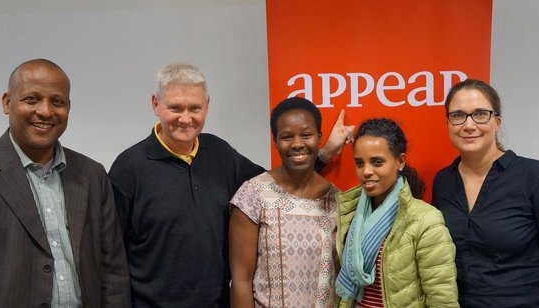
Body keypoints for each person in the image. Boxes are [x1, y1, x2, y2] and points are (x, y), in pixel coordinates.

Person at [108, 62, 354, 307]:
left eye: (194, 108)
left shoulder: (219, 153)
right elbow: (110, 256)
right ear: (156, 104)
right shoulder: (129, 168)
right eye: (175, 108)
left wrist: (324, 154)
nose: (185, 118)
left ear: (207, 106)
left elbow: (277, 185)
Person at [0, 59, 130, 307]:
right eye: (32, 99)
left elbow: (113, 271)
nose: (46, 111)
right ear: (7, 102)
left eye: (57, 101)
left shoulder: (92, 174)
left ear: (68, 107)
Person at [432, 79, 539, 307]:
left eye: (480, 114)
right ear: (449, 123)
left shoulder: (532, 176)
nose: (469, 125)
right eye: (458, 115)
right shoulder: (443, 181)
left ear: (497, 122)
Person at [336, 118, 459, 308]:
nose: (366, 171)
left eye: (377, 162)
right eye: (360, 163)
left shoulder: (425, 220)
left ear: (400, 161)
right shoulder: (351, 212)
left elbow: (442, 300)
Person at [229, 97, 339, 307]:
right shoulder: (252, 195)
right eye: (287, 137)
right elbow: (241, 280)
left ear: (319, 137)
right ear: (276, 141)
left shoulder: (337, 200)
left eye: (306, 135)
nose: (297, 144)